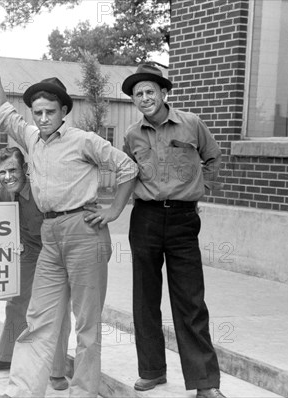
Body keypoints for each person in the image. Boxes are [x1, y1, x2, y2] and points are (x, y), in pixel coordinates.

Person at [0, 44, 138, 398]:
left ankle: (82, 392)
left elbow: (128, 168)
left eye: (49, 111)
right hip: (49, 233)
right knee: (38, 317)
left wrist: (113, 211)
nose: (42, 118)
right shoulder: (31, 138)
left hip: (85, 232)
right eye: (36, 112)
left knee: (87, 325)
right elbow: (0, 107)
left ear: (64, 110)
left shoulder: (84, 140)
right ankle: (21, 391)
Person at [121, 63, 225, 398]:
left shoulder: (191, 124)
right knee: (145, 299)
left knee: (190, 301)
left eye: (150, 91)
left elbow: (214, 157)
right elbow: (127, 173)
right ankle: (151, 371)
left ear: (164, 93)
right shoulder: (132, 136)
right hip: (145, 219)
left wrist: (202, 188)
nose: (145, 98)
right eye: (139, 94)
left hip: (182, 220)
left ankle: (204, 383)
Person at [0, 147, 71, 391]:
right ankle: (5, 356)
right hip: (27, 252)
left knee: (58, 311)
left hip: (54, 252)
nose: (8, 176)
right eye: (2, 172)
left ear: (25, 169)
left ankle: (56, 370)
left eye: (13, 170)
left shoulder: (41, 191)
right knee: (16, 303)